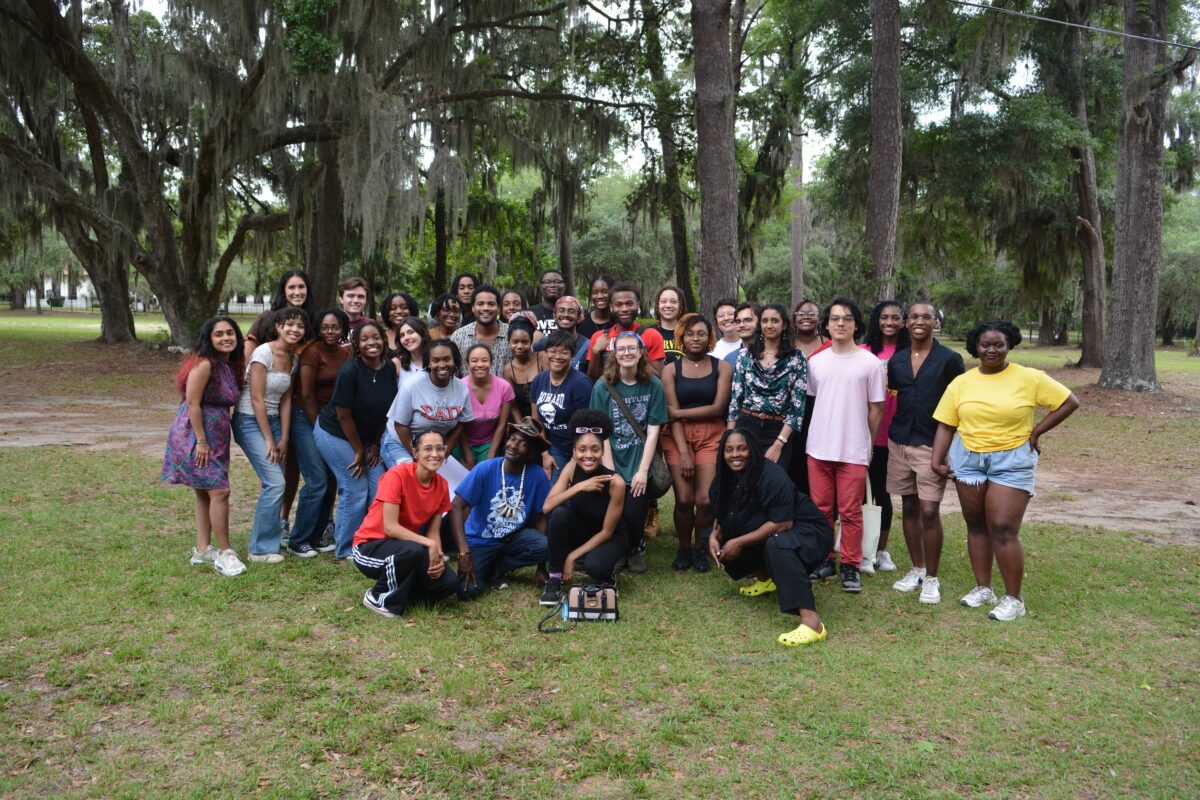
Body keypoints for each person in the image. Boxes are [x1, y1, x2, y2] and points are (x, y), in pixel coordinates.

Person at [931, 320, 1079, 621]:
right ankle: (983, 588)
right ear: (976, 347)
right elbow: (947, 423)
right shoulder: (961, 382)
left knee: (1002, 527)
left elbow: (1068, 401)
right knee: (975, 524)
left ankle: (1013, 599)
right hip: (969, 458)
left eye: (999, 344)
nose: (992, 350)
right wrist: (937, 459)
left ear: (1009, 344)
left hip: (1011, 460)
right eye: (985, 344)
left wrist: (1036, 433)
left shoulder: (1029, 377)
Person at [708, 429, 834, 646]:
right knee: (727, 542)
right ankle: (768, 580)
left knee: (777, 543)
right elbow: (724, 512)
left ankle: (812, 623)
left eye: (741, 448)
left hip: (809, 531)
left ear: (752, 450)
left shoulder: (771, 475)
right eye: (729, 450)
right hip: (777, 526)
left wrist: (739, 541)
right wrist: (713, 536)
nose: (735, 455)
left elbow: (783, 524)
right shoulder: (724, 478)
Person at [805, 298, 885, 593]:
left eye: (847, 318)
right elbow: (813, 402)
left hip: (853, 449)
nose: (840, 323)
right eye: (835, 318)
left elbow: (876, 408)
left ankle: (850, 565)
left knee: (850, 511)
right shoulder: (816, 362)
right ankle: (826, 558)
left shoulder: (870, 363)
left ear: (856, 325)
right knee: (822, 509)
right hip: (818, 448)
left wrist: (868, 442)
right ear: (826, 324)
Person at [887, 302, 965, 604]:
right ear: (907, 323)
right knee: (908, 507)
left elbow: (959, 405)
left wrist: (949, 449)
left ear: (935, 323)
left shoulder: (949, 360)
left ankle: (932, 578)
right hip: (899, 441)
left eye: (926, 317)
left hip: (932, 444)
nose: (920, 321)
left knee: (930, 511)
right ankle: (917, 569)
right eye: (915, 317)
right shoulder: (897, 361)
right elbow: (898, 394)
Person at [162, 316, 248, 576]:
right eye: (219, 334)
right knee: (220, 492)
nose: (225, 338)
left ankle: (202, 550)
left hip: (216, 434)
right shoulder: (205, 364)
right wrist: (200, 441)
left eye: (230, 333)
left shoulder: (227, 364)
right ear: (208, 339)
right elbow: (192, 403)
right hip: (195, 434)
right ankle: (224, 553)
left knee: (204, 491)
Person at [352, 430, 460, 617]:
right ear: (415, 453)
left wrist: (438, 558)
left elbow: (433, 533)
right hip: (368, 547)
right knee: (413, 551)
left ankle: (404, 594)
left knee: (448, 582)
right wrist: (428, 544)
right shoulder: (397, 476)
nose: (434, 454)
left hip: (407, 548)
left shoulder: (442, 485)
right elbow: (390, 527)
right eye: (427, 449)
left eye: (440, 449)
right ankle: (378, 597)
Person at [314, 321, 398, 558]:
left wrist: (373, 444)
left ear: (383, 339)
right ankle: (346, 547)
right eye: (364, 339)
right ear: (357, 345)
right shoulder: (349, 370)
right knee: (355, 484)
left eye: (376, 337)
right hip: (336, 432)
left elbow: (386, 410)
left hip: (366, 437)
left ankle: (372, 539)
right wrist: (359, 450)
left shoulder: (389, 368)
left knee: (380, 483)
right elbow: (343, 415)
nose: (371, 343)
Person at [232, 307, 307, 562]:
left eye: (300, 326)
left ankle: (269, 539)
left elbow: (286, 400)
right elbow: (256, 399)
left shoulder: (293, 358)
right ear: (278, 327)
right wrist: (268, 439)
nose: (294, 329)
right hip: (249, 420)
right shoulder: (262, 352)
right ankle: (260, 549)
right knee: (275, 482)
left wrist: (284, 437)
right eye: (289, 324)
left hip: (276, 421)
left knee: (276, 480)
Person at [449, 417, 554, 599]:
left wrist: (541, 567)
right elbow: (456, 506)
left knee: (544, 545)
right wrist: (464, 553)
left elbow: (540, 517)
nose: (514, 445)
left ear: (531, 453)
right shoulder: (485, 469)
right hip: (480, 540)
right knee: (466, 592)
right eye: (513, 439)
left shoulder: (537, 475)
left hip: (512, 539)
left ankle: (498, 566)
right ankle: (491, 568)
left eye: (523, 444)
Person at [589, 330, 667, 574]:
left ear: (641, 352)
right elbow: (601, 432)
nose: (627, 353)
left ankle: (634, 548)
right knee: (615, 509)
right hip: (612, 455)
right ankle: (620, 550)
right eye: (621, 349)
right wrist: (611, 471)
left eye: (632, 348)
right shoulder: (603, 386)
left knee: (634, 512)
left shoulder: (653, 385)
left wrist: (643, 471)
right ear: (614, 353)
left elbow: (654, 430)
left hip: (638, 456)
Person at [662, 313, 732, 572]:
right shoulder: (671, 370)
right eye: (690, 334)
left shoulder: (721, 367)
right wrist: (683, 452)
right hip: (677, 435)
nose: (695, 338)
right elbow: (671, 414)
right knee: (683, 499)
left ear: (709, 337)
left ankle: (701, 547)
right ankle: (684, 548)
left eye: (701, 333)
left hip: (711, 434)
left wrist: (679, 413)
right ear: (682, 337)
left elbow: (717, 408)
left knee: (704, 500)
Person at [540, 409, 628, 605]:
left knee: (595, 568)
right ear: (574, 451)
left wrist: (571, 556)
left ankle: (600, 567)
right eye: (582, 449)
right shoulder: (571, 469)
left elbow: (607, 532)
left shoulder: (616, 482)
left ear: (603, 451)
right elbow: (547, 507)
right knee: (560, 513)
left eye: (595, 449)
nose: (588, 455)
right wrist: (578, 486)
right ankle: (554, 578)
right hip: (582, 530)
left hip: (609, 538)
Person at [293, 307, 352, 556]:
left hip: (329, 420)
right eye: (325, 327)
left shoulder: (344, 353)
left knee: (330, 478)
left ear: (343, 329)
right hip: (305, 418)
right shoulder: (311, 353)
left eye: (335, 327)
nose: (330, 331)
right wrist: (318, 427)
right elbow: (306, 395)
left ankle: (317, 536)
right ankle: (298, 539)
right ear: (318, 329)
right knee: (316, 479)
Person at [858, 300, 910, 575]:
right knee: (856, 494)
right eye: (884, 317)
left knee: (882, 493)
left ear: (903, 321)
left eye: (895, 317)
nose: (889, 322)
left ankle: (882, 550)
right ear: (876, 320)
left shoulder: (908, 352)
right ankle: (861, 550)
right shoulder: (865, 351)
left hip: (894, 432)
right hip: (865, 431)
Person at [727, 303, 807, 467]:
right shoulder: (745, 355)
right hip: (747, 425)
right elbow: (736, 399)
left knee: (774, 483)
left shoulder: (797, 358)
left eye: (775, 321)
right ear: (760, 324)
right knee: (745, 483)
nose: (769, 325)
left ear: (784, 325)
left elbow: (797, 407)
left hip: (778, 431)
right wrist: (729, 435)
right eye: (765, 321)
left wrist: (779, 444)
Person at [381, 339, 472, 467]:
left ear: (454, 360)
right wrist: (417, 455)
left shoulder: (462, 388)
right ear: (428, 363)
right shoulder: (412, 386)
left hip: (433, 448)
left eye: (447, 359)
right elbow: (400, 426)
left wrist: (444, 453)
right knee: (412, 480)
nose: (442, 364)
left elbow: (460, 424)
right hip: (400, 443)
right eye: (436, 360)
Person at [531, 330, 594, 479]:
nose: (558, 357)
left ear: (572, 355)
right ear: (545, 353)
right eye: (553, 351)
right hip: (550, 445)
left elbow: (585, 425)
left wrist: (576, 457)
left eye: (564, 352)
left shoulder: (580, 383)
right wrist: (545, 454)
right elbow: (536, 421)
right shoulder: (539, 381)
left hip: (575, 447)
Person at [585, 282, 666, 381]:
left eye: (629, 304)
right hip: (610, 394)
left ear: (637, 305)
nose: (624, 309)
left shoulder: (651, 335)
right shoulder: (598, 337)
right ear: (611, 307)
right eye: (618, 304)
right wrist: (596, 352)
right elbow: (592, 379)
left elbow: (659, 377)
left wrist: (636, 352)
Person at [787, 299, 826, 496]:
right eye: (801, 314)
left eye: (811, 314)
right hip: (789, 410)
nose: (806, 318)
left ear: (819, 319)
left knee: (815, 461)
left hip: (819, 409)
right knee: (792, 460)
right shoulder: (785, 345)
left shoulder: (829, 345)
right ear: (794, 318)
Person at [459, 344, 515, 467]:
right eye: (474, 361)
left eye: (484, 360)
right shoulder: (459, 387)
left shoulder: (503, 387)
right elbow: (458, 425)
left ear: (491, 363)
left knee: (486, 471)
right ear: (468, 364)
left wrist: (491, 454)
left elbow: (502, 425)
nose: (480, 365)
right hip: (462, 442)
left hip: (489, 442)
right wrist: (468, 454)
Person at [243, 269, 314, 360]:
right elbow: (248, 357)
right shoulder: (266, 318)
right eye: (291, 287)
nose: (297, 292)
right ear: (284, 291)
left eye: (301, 287)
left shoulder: (312, 321)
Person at [451, 285, 510, 376]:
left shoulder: (512, 334)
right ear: (473, 308)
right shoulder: (459, 336)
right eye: (480, 304)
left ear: (498, 308)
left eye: (491, 304)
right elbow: (454, 375)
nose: (485, 308)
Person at [531, 295, 590, 370]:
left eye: (571, 311)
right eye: (561, 311)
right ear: (554, 315)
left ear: (578, 317)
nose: (565, 315)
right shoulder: (543, 343)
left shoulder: (587, 346)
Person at [502, 316, 538, 420]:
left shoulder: (542, 359)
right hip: (522, 422)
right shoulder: (509, 370)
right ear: (509, 342)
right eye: (515, 342)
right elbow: (513, 406)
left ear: (531, 341)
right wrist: (522, 429)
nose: (519, 346)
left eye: (524, 342)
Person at [649, 285, 686, 365]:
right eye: (663, 301)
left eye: (673, 302)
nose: (668, 305)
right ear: (657, 305)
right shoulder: (648, 333)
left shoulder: (689, 333)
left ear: (681, 306)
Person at [393, 316, 430, 390]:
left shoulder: (436, 359)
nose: (406, 338)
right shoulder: (396, 363)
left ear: (422, 333)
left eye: (411, 332)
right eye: (402, 335)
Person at [380, 291, 421, 356]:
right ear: (387, 314)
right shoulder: (380, 337)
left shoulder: (422, 334)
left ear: (412, 311)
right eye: (393, 308)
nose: (398, 311)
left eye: (404, 307)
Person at [722, 302, 759, 369]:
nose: (741, 325)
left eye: (748, 320)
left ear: (760, 322)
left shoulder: (771, 356)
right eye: (738, 322)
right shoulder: (730, 359)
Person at [531, 269, 567, 336]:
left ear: (564, 286)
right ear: (540, 287)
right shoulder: (530, 314)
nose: (552, 285)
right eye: (547, 282)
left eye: (557, 282)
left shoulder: (575, 314)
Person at [577, 274, 614, 340]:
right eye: (595, 292)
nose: (599, 296)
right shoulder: (581, 322)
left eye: (604, 292)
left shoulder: (619, 321)